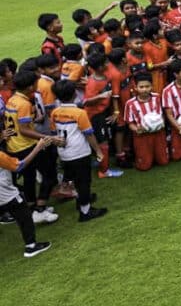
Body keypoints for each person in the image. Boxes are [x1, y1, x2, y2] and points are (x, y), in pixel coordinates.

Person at [4, 70, 60, 222]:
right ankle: (40, 209)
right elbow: (24, 130)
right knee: (49, 175)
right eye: (35, 83)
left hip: (14, 145)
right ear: (29, 87)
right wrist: (47, 137)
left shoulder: (13, 99)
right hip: (26, 145)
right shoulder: (24, 104)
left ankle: (33, 208)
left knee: (29, 178)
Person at [50, 79, 106, 223]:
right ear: (75, 93)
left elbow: (53, 132)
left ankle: (81, 200)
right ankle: (85, 211)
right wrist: (98, 151)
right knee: (84, 181)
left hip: (64, 152)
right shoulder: (79, 113)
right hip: (79, 152)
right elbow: (89, 134)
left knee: (75, 179)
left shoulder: (55, 112)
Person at [1, 134, 56, 256]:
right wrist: (38, 147)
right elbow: (19, 166)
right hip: (5, 192)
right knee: (24, 216)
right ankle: (31, 246)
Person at [124, 73, 168, 171]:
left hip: (158, 133)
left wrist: (162, 123)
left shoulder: (157, 97)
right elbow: (130, 122)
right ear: (136, 87)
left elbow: (163, 114)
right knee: (144, 167)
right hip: (142, 136)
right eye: (141, 87)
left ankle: (158, 154)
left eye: (147, 86)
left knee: (163, 162)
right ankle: (143, 158)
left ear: (152, 86)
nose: (144, 89)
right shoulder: (130, 103)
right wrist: (137, 129)